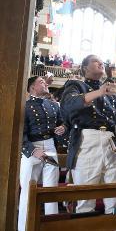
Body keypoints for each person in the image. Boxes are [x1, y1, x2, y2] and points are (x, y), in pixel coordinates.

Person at [60, 55, 116, 214]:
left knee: (115, 199)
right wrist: (98, 93)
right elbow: (68, 105)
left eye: (102, 61)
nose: (101, 63)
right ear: (85, 68)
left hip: (111, 142)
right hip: (87, 140)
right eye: (95, 61)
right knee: (86, 199)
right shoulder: (76, 85)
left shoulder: (110, 93)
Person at [18, 76, 65, 231]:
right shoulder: (24, 106)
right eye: (41, 82)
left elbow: (62, 123)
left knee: (51, 192)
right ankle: (23, 228)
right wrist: (32, 150)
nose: (45, 83)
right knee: (27, 192)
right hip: (32, 149)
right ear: (32, 87)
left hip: (50, 147)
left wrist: (62, 128)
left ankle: (52, 227)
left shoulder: (53, 105)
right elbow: (19, 133)